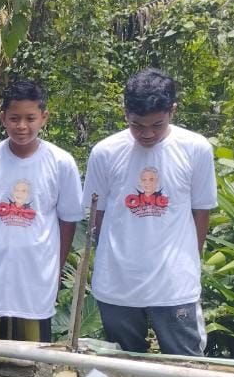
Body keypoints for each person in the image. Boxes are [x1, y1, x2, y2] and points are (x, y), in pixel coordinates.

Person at [83, 68, 217, 356]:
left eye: (157, 125)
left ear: (172, 111)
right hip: (117, 283)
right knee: (123, 366)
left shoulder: (196, 149)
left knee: (185, 366)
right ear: (125, 113)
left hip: (174, 285)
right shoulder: (105, 152)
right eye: (137, 125)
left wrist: (188, 260)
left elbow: (201, 211)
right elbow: (98, 214)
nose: (147, 134)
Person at [0, 79, 82, 342]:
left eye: (30, 118)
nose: (22, 126)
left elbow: (68, 222)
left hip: (35, 276)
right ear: (3, 118)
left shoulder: (61, 163)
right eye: (14, 118)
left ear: (44, 117)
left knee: (33, 356)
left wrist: (55, 272)